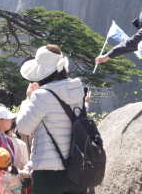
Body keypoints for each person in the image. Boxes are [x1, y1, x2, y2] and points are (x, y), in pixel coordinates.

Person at [16, 45, 88, 194]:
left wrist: (28, 100)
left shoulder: (41, 95)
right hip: (77, 168)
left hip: (48, 174)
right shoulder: (78, 91)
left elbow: (23, 128)